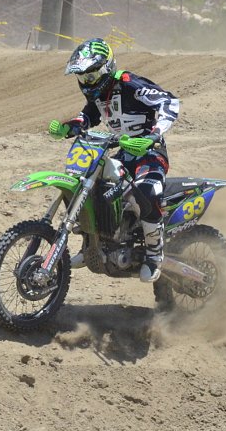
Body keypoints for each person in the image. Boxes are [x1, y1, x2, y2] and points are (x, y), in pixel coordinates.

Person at [49, 37, 180, 283]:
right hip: (123, 153)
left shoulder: (129, 84)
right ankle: (91, 247)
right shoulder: (100, 96)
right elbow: (86, 119)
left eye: (90, 75)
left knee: (146, 191)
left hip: (150, 154)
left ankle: (154, 254)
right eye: (83, 77)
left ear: (105, 69)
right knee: (92, 186)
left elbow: (169, 101)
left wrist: (152, 136)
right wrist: (66, 129)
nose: (87, 82)